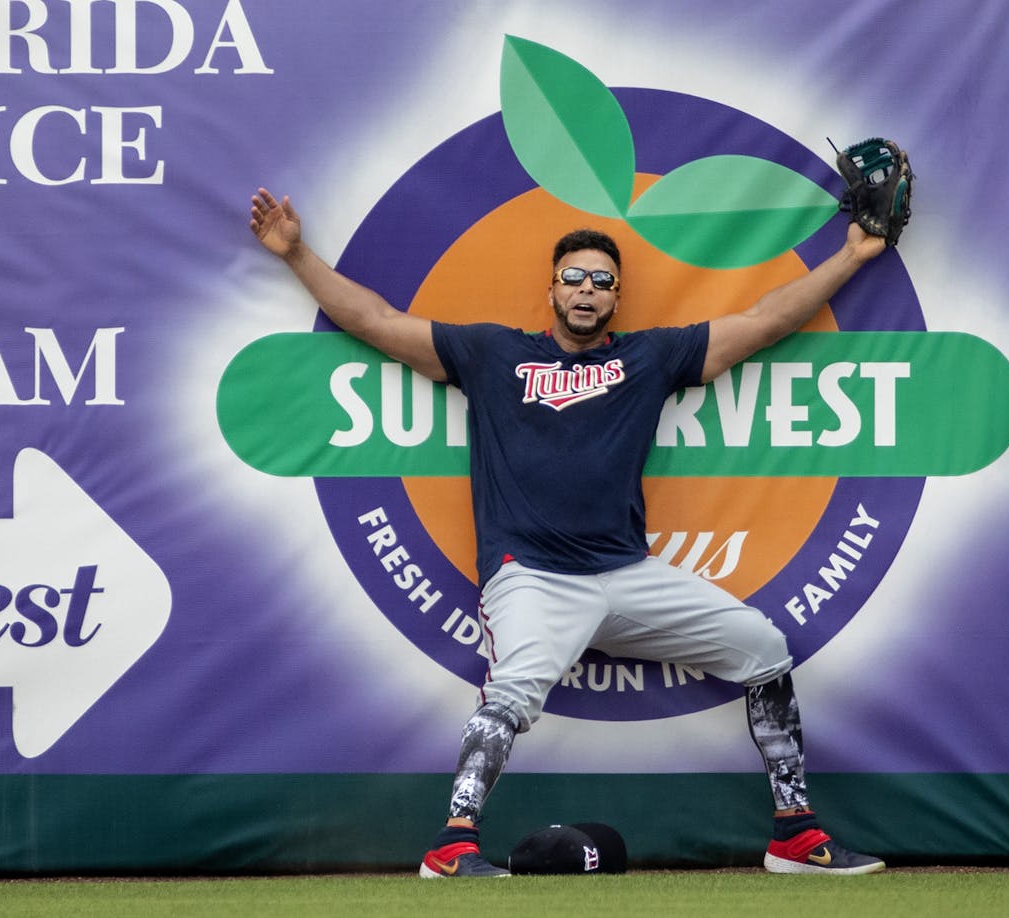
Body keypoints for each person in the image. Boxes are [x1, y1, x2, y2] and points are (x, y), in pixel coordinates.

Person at [248, 186, 891, 877]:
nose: (586, 291)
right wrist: (296, 255)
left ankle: (794, 835)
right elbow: (375, 320)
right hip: (529, 573)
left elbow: (763, 321)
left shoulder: (649, 358)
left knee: (765, 648)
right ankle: (452, 845)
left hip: (625, 573)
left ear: (618, 298)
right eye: (574, 279)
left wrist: (852, 256)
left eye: (602, 282)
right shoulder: (492, 354)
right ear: (551, 289)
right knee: (514, 690)